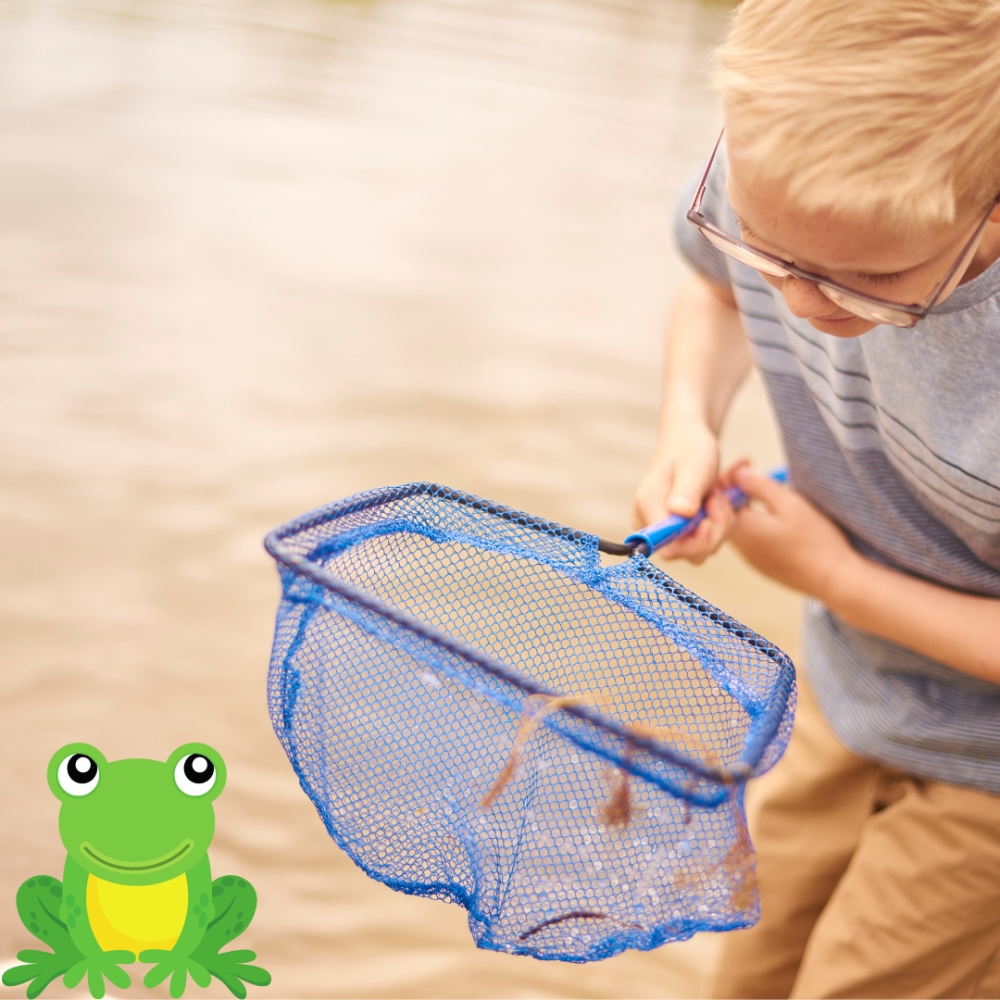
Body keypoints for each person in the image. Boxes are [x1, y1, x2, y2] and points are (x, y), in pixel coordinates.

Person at [632, 1, 1000, 997]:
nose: (798, 301)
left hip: (987, 774)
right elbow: (713, 293)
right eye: (771, 252)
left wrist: (830, 572)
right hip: (848, 697)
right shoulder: (768, 181)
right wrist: (689, 425)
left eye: (867, 283)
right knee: (749, 972)